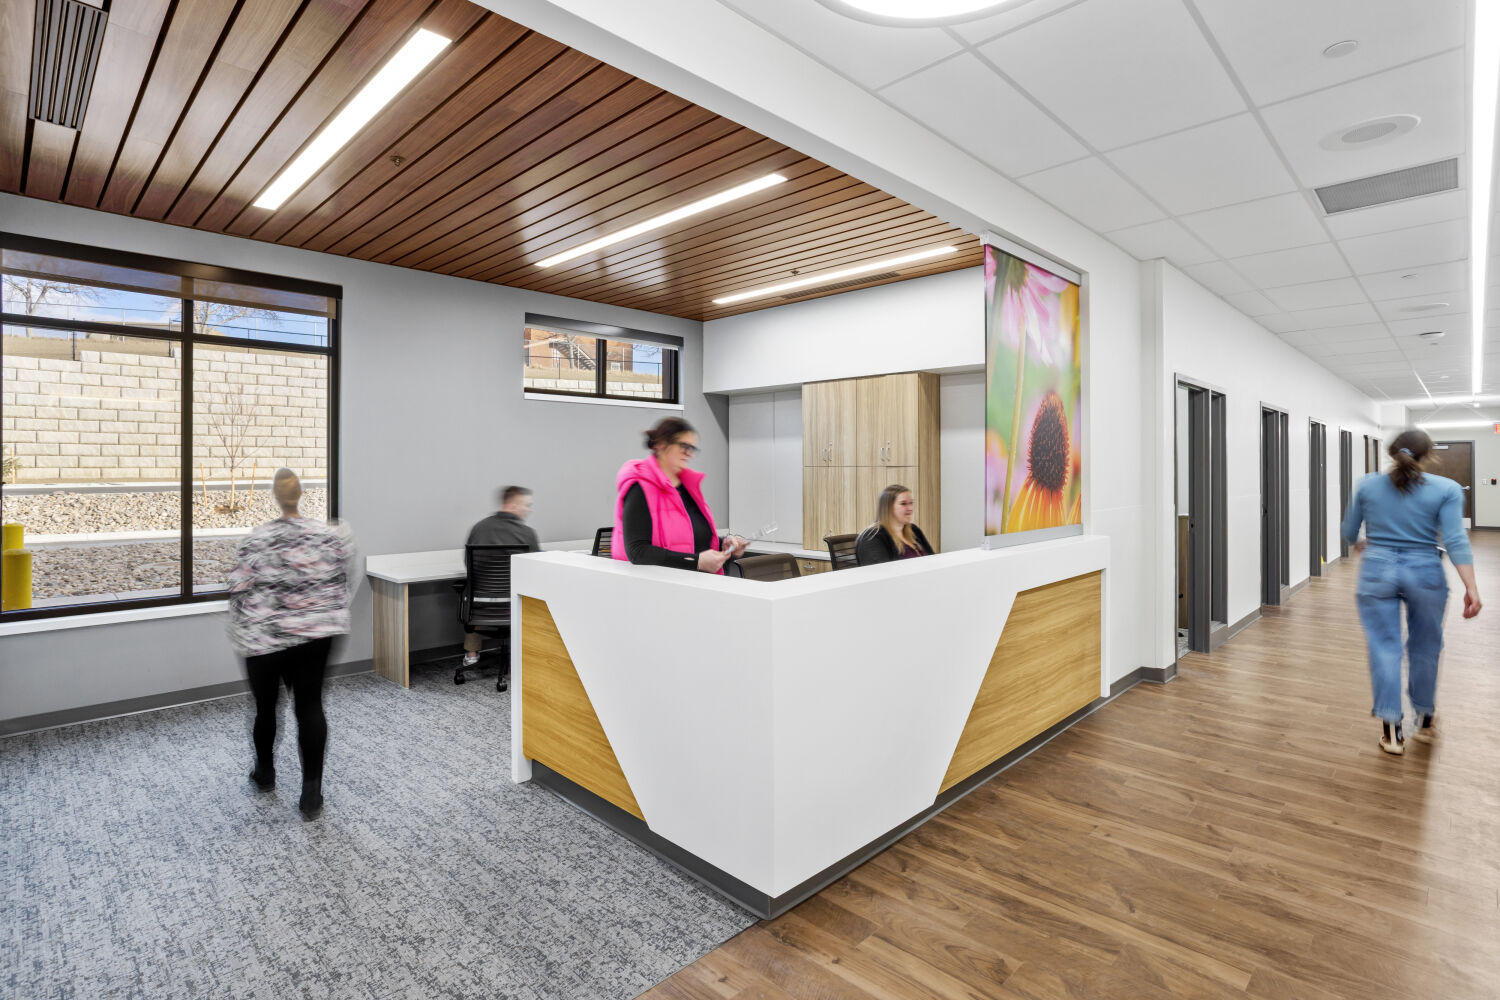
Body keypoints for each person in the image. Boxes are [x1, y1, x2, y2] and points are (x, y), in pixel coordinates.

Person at [1341, 430, 1481, 756]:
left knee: (1383, 648)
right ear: (1428, 454)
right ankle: (1425, 720)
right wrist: (1471, 586)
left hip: (1377, 571)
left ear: (1392, 452)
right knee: (1426, 646)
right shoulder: (1447, 488)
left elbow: (1349, 531)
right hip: (1425, 570)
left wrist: (1364, 544)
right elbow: (1455, 539)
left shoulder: (1367, 485)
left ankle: (1391, 732)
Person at [227, 468, 355, 817]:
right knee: (310, 707)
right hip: (316, 634)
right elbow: (343, 579)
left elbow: (237, 588)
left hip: (265, 637)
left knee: (266, 708)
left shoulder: (256, 539)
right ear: (300, 495)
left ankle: (265, 774)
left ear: (276, 496)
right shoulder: (328, 536)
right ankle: (311, 795)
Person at [615, 417, 746, 572]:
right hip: (656, 583)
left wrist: (723, 544)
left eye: (692, 448)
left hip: (692, 581)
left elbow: (692, 539)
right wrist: (696, 562)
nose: (689, 454)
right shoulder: (639, 487)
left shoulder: (687, 487)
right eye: (684, 446)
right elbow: (638, 552)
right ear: (661, 445)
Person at [462, 485, 540, 669]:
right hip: (513, 604)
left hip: (480, 605)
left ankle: (471, 654)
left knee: (471, 590)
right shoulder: (527, 533)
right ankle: (530, 656)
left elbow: (468, 564)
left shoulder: (479, 528)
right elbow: (536, 568)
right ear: (512, 505)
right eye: (526, 505)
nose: (529, 510)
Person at [855, 484, 935, 566]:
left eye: (911, 503)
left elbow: (933, 560)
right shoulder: (871, 537)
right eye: (903, 503)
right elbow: (880, 572)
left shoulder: (914, 530)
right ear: (888, 507)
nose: (910, 508)